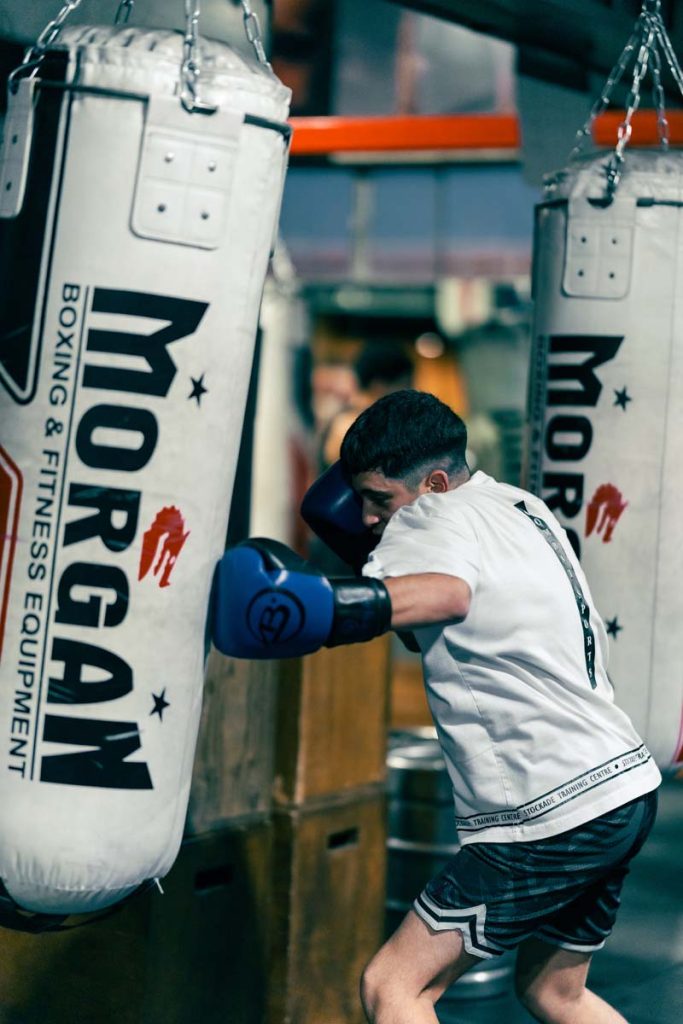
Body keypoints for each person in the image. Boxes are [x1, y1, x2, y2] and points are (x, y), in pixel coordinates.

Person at [211, 389, 661, 1024]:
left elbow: (447, 596)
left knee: (392, 987)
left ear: (437, 482)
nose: (369, 519)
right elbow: (456, 615)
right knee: (555, 993)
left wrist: (323, 609)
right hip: (624, 786)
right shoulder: (521, 506)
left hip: (550, 809)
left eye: (379, 501)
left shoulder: (429, 517)